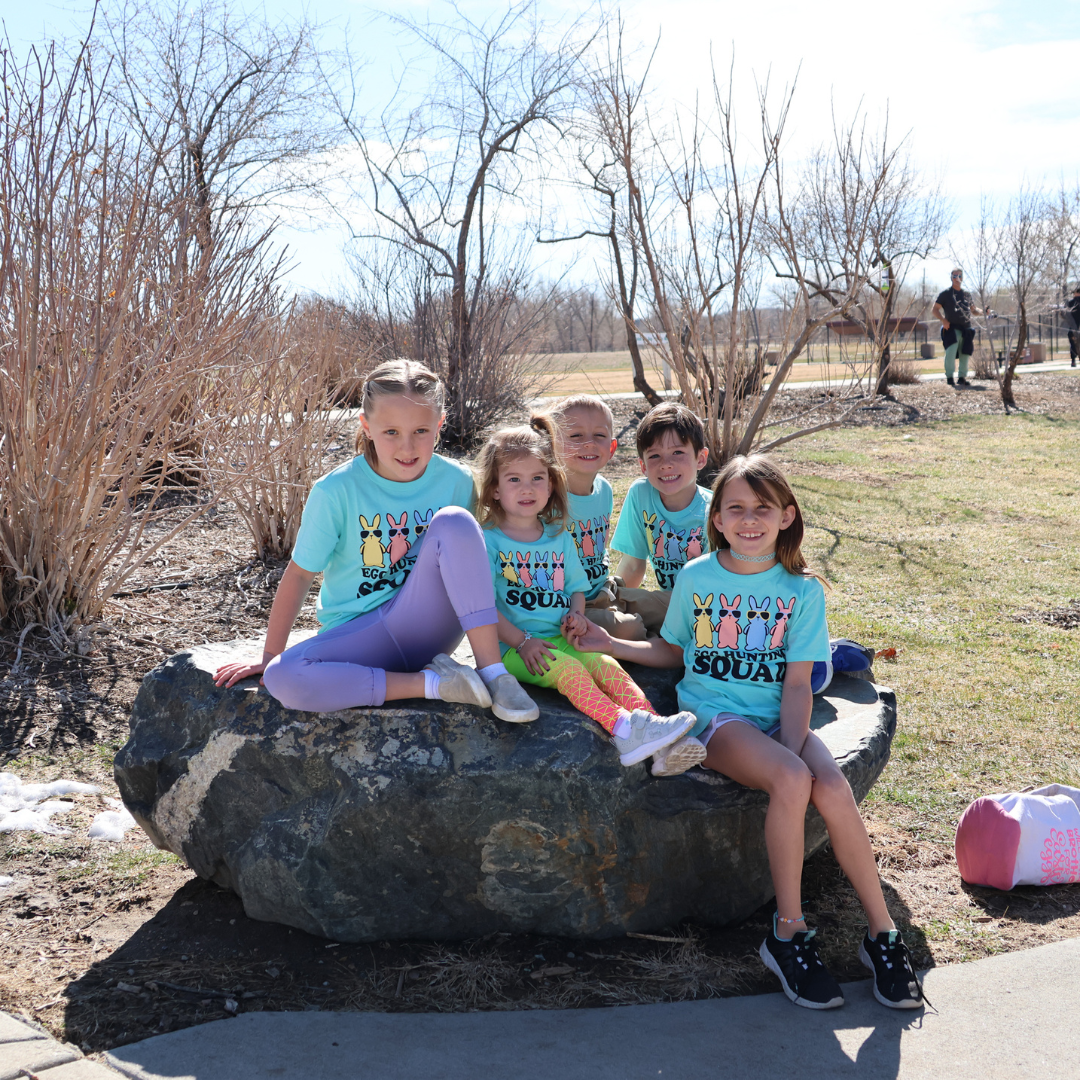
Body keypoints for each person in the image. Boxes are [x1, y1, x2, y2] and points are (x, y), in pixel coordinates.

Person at [567, 453, 926, 1009]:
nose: (749, 519)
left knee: (830, 787)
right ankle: (787, 934)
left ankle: (882, 934)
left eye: (763, 507)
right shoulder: (695, 576)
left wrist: (791, 742)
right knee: (789, 779)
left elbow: (800, 684)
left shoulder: (802, 590)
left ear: (787, 515)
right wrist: (611, 644)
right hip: (717, 716)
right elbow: (674, 652)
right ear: (717, 519)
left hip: (780, 715)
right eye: (735, 507)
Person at [213, 359, 538, 724]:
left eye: (421, 430)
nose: (408, 446)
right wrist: (270, 654)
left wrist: (532, 633)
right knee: (282, 677)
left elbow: (475, 567)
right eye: (391, 432)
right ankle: (437, 684)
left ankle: (494, 675)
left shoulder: (457, 482)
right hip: (359, 640)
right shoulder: (336, 491)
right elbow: (300, 575)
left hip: (431, 628)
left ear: (439, 425)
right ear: (366, 427)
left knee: (456, 522)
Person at [475, 413, 703, 771]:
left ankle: (658, 737)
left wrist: (577, 615)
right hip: (515, 648)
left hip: (559, 636)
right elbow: (484, 606)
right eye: (514, 479)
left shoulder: (557, 536)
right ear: (494, 489)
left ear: (551, 486)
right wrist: (521, 642)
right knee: (570, 672)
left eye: (538, 479)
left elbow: (577, 589)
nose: (527, 488)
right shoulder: (487, 540)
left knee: (605, 664)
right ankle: (623, 728)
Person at [546, 394, 646, 641]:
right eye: (576, 435)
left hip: (603, 591)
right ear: (553, 444)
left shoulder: (605, 490)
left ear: (612, 448)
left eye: (599, 436)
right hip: (565, 606)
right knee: (632, 629)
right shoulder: (546, 497)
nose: (588, 443)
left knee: (667, 606)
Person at [608, 402, 712, 632]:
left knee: (641, 610)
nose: (666, 464)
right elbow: (633, 565)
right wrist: (616, 604)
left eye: (678, 452)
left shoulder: (714, 510)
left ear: (701, 458)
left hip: (707, 604)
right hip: (666, 603)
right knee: (609, 604)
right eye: (654, 456)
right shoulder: (641, 494)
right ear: (643, 466)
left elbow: (715, 582)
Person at [932, 269, 984, 387]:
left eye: (960, 275)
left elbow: (974, 310)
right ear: (951, 277)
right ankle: (950, 378)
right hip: (951, 328)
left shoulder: (966, 294)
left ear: (962, 277)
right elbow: (934, 309)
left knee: (965, 353)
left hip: (966, 329)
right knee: (950, 353)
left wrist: (983, 311)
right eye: (955, 275)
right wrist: (943, 320)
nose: (957, 278)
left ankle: (962, 378)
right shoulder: (946, 294)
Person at [1065, 285, 1080, 367]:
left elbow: (1066, 314)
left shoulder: (1070, 303)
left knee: (1073, 345)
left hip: (1073, 329)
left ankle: (1073, 361)